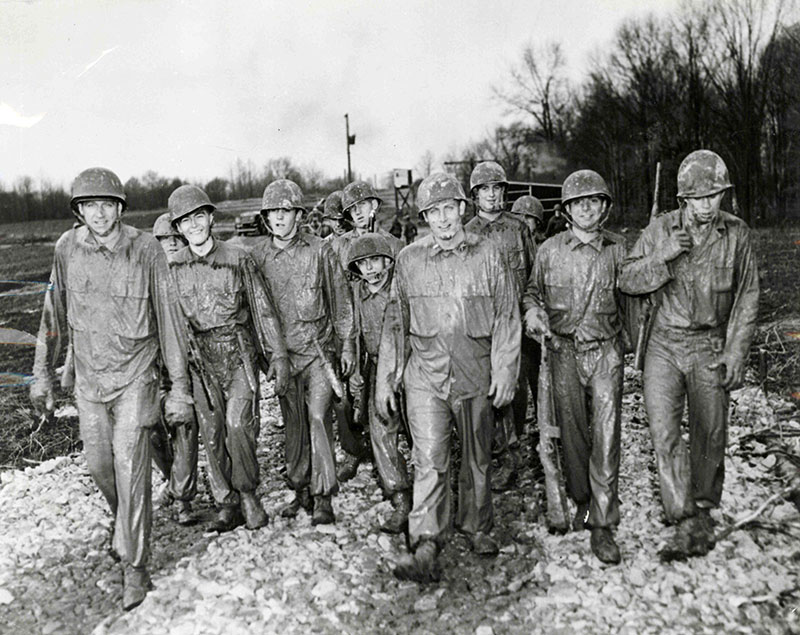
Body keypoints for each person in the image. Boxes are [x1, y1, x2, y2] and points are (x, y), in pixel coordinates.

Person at [30, 168, 194, 610]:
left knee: (130, 466)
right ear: (78, 212)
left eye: (107, 205)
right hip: (88, 381)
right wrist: (42, 373)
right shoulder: (67, 249)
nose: (99, 214)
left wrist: (178, 387)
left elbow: (171, 322)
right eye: (89, 206)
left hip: (135, 377)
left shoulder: (146, 251)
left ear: (120, 208)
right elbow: (53, 312)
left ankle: (135, 566)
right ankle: (123, 522)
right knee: (101, 467)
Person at [376, 172, 520, 582]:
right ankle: (425, 541)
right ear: (424, 217)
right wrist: (387, 377)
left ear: (462, 209)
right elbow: (394, 322)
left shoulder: (489, 255)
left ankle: (477, 526)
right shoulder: (409, 261)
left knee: (477, 457)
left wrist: (506, 369)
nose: (442, 219)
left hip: (475, 371)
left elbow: (508, 314)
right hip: (426, 374)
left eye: (448, 209)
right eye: (432, 212)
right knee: (430, 459)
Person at [619, 150, 759, 561]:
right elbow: (626, 279)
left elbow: (748, 296)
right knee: (664, 432)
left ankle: (702, 508)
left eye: (713, 196)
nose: (705, 205)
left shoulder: (736, 235)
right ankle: (681, 517)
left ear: (723, 195)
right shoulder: (659, 230)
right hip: (663, 344)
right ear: (682, 200)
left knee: (710, 431)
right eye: (696, 198)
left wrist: (736, 351)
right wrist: (661, 255)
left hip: (709, 344)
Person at [168, 184, 289, 533]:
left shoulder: (238, 258)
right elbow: (170, 324)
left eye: (198, 217)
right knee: (213, 432)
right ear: (178, 228)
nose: (193, 226)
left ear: (210, 218)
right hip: (200, 359)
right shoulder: (172, 269)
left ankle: (249, 493)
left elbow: (262, 310)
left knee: (239, 425)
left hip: (237, 353)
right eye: (185, 222)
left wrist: (277, 356)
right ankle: (227, 503)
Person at [523, 169, 627, 564]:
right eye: (578, 202)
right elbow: (532, 293)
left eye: (594, 201)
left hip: (605, 352)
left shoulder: (618, 250)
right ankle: (582, 499)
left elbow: (634, 295)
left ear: (604, 208)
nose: (586, 208)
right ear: (566, 210)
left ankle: (602, 523)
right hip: (563, 352)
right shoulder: (549, 251)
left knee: (606, 435)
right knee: (572, 436)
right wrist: (533, 314)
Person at [251, 179, 356, 525]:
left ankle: (324, 494)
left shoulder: (320, 250)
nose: (279, 219)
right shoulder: (258, 258)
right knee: (294, 424)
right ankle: (302, 490)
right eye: (273, 213)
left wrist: (348, 343)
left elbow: (340, 299)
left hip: (319, 352)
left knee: (317, 418)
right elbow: (255, 311)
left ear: (297, 214)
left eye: (285, 211)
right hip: (284, 356)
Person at [464, 161, 537, 492]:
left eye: (497, 189)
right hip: (481, 325)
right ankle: (493, 451)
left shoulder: (518, 229)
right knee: (485, 390)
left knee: (516, 388)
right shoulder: (467, 233)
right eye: (485, 190)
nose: (492, 195)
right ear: (475, 196)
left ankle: (512, 453)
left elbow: (534, 275)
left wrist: (533, 311)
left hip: (515, 323)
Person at [331, 181, 404, 482]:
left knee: (382, 395)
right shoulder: (337, 246)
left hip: (380, 327)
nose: (358, 213)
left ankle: (385, 449)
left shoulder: (393, 245)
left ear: (375, 205)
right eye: (352, 209)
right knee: (345, 396)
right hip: (347, 328)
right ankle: (353, 450)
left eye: (363, 205)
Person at [347, 233, 411, 534]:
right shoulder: (357, 293)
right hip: (376, 367)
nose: (370, 269)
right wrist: (357, 370)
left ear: (388, 260)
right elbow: (354, 333)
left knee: (420, 429)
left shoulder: (402, 286)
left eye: (376, 260)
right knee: (381, 430)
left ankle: (431, 494)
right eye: (363, 264)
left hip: (410, 365)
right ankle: (400, 497)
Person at [150, 213, 197, 526]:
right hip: (151, 365)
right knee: (152, 430)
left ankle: (182, 497)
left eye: (175, 242)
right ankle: (172, 480)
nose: (170, 248)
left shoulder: (189, 274)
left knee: (184, 428)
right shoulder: (146, 276)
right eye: (164, 244)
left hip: (186, 364)